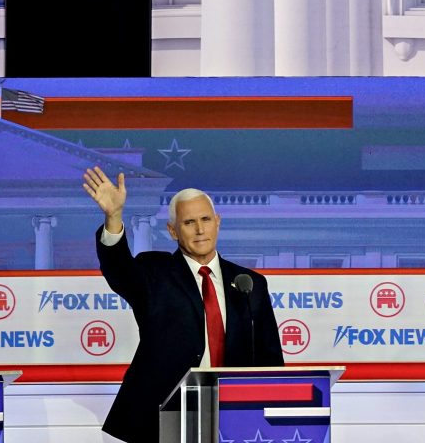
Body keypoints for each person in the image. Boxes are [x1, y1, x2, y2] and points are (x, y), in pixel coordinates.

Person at [83, 167, 284, 443]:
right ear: (172, 231)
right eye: (189, 222)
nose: (200, 229)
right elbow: (119, 272)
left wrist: (269, 412)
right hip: (160, 418)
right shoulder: (155, 272)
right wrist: (114, 217)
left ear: (218, 222)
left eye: (206, 219)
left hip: (234, 416)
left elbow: (270, 359)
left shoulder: (249, 283)